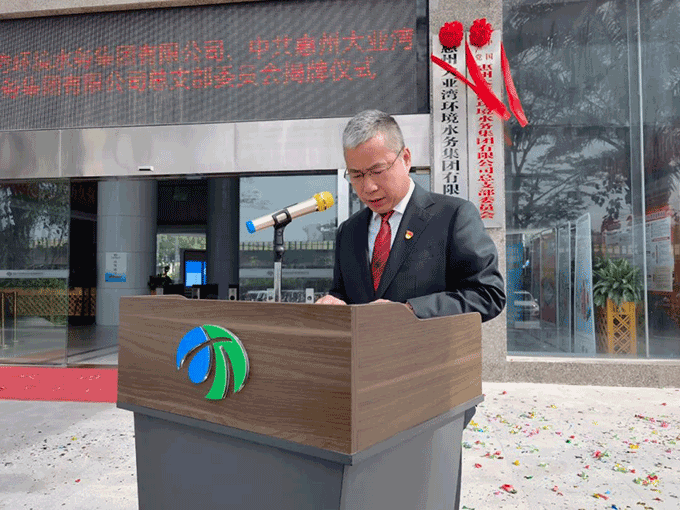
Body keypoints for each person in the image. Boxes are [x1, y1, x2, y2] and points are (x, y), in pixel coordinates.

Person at [316, 109, 505, 508]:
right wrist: (334, 306)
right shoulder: (349, 232)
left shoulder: (453, 215)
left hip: (430, 388)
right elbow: (344, 294)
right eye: (356, 175)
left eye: (377, 171)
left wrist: (407, 312)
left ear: (405, 158)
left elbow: (487, 294)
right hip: (362, 392)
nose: (368, 186)